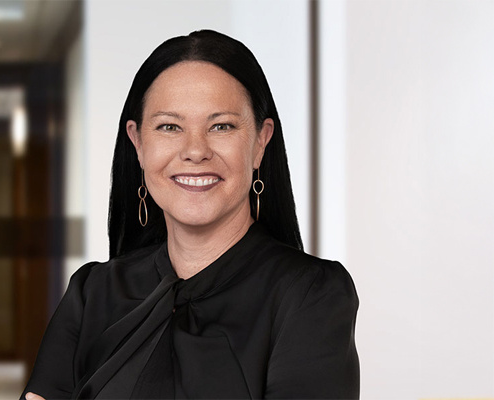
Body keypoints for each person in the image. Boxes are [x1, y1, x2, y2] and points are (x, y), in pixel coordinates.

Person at [20, 29, 359, 400]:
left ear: (260, 142)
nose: (195, 151)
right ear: (138, 142)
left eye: (221, 126)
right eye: (169, 126)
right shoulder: (91, 293)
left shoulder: (311, 295)